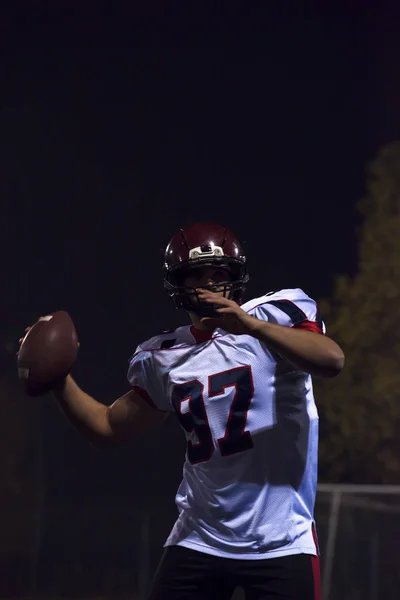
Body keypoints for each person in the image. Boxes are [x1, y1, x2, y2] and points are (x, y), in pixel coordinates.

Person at [38, 222, 345, 599]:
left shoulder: (273, 316)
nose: (209, 284)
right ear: (177, 285)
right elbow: (109, 427)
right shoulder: (164, 355)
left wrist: (250, 326)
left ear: (235, 277)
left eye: (217, 274)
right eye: (196, 275)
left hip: (281, 539)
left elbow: (331, 360)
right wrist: (57, 380)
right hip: (200, 538)